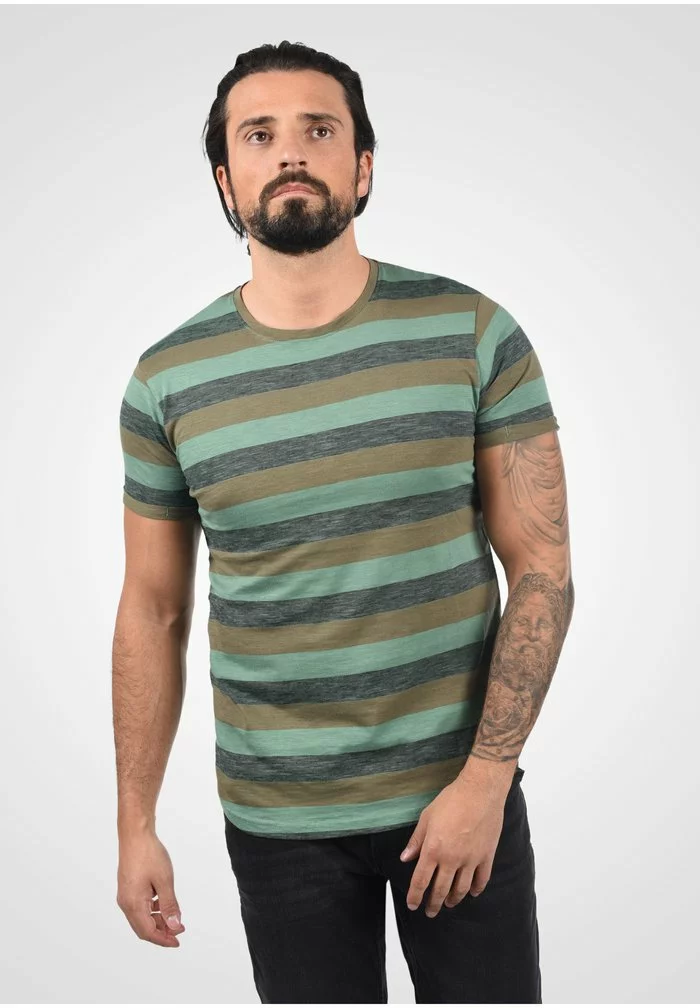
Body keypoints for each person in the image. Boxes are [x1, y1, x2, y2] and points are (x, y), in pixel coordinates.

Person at [114, 39, 575, 1004]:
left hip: (461, 802)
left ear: (362, 167)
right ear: (225, 179)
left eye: (318, 129)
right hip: (278, 826)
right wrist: (135, 825)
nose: (290, 151)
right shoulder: (167, 381)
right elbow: (153, 609)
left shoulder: (473, 333)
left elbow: (542, 568)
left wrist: (486, 782)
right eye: (258, 134)